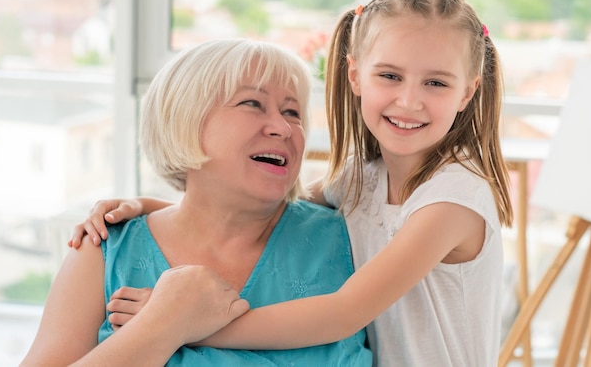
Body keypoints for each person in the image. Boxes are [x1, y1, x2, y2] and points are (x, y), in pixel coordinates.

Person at [71, 0, 514, 367]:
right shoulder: (362, 180)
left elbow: (344, 313)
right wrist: (148, 208)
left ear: (467, 92)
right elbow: (254, 207)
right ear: (356, 76)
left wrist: (181, 325)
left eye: (436, 83)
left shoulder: (454, 198)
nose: (410, 101)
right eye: (390, 76)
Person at [21, 38, 372, 366]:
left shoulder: (352, 237)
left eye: (292, 112)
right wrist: (165, 323)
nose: (282, 127)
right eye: (253, 103)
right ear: (183, 120)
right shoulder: (102, 249)